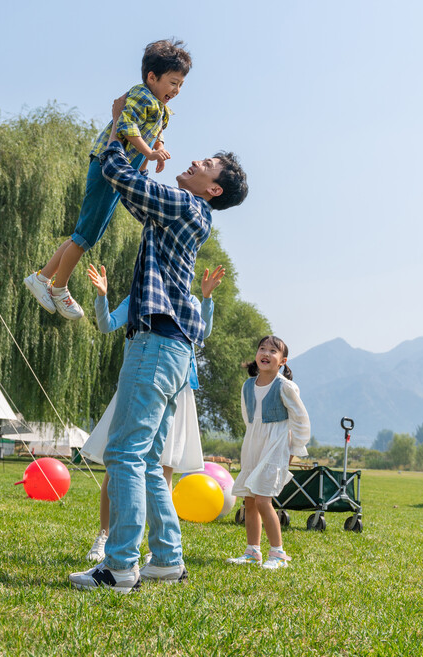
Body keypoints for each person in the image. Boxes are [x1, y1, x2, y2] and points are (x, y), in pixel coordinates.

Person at [68, 97, 248, 593]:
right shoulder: (182, 212)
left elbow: (126, 181)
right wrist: (136, 158)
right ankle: (166, 558)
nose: (193, 162)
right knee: (147, 459)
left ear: (213, 188)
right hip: (172, 349)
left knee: (125, 452)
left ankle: (121, 566)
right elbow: (133, 197)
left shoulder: (188, 206)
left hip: (157, 343)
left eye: (205, 164)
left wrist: (119, 138)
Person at [23, 39, 191, 321]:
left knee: (85, 232)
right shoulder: (141, 96)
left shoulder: (160, 108)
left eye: (181, 85)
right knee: (86, 236)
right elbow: (126, 124)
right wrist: (149, 152)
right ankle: (59, 288)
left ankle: (42, 278)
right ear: (152, 77)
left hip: (120, 173)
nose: (176, 90)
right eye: (173, 82)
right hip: (107, 166)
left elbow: (156, 131)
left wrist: (157, 150)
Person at [80, 262, 225, 563]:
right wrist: (101, 296)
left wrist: (207, 299)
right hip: (137, 383)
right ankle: (106, 537)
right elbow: (107, 324)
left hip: (176, 387)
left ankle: (156, 552)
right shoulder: (139, 295)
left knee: (158, 467)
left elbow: (203, 332)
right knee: (118, 464)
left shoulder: (190, 300)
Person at [226, 335, 311, 570]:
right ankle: (252, 552)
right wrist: (253, 438)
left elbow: (301, 421)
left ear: (282, 360)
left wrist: (294, 449)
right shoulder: (247, 386)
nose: (266, 353)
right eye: (262, 348)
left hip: (276, 445)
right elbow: (249, 417)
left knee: (264, 499)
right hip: (253, 444)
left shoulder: (285, 386)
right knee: (250, 500)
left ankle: (279, 554)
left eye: (273, 351)